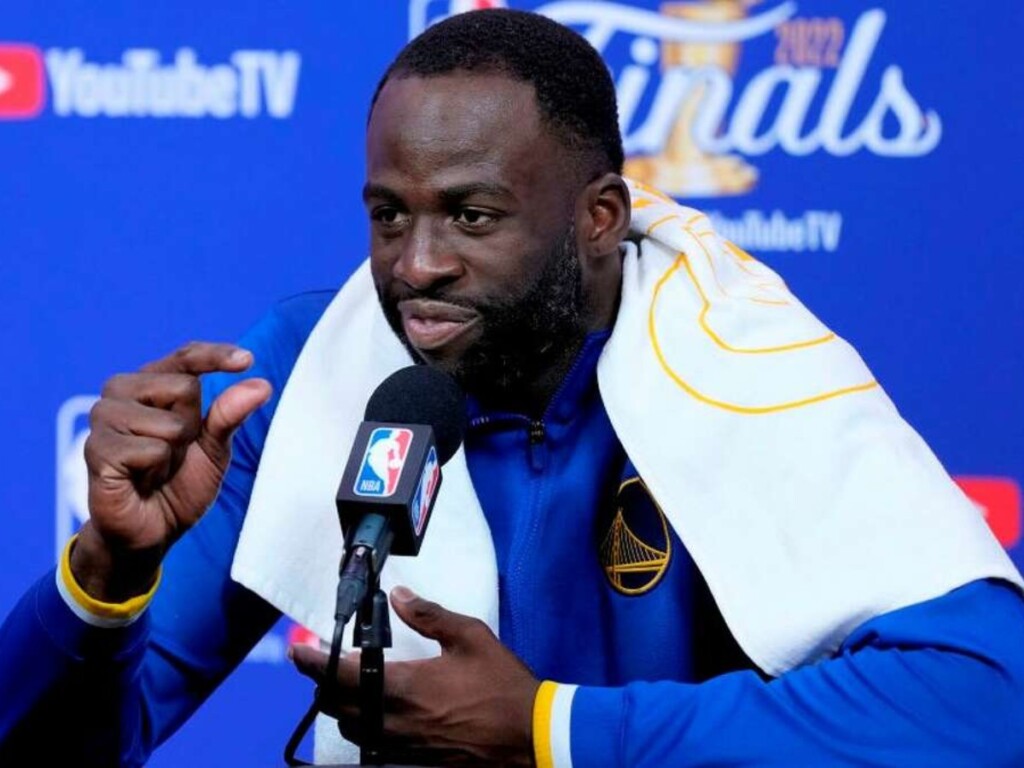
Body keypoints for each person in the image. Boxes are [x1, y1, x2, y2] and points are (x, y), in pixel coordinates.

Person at [2, 9, 1024, 767]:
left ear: (598, 217)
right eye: (389, 216)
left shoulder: (741, 360)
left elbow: (991, 700)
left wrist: (550, 730)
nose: (415, 265)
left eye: (473, 216)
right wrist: (105, 574)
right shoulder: (307, 366)